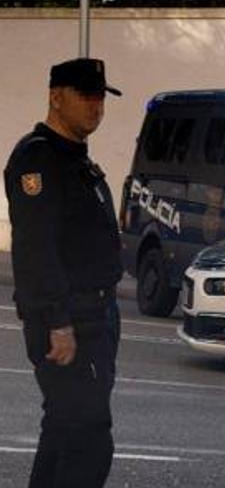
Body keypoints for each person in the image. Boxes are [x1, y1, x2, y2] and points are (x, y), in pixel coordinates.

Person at [5, 58, 124, 487]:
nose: (96, 107)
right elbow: (36, 249)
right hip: (70, 321)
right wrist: (57, 321)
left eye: (100, 97)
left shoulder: (75, 158)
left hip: (96, 316)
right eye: (85, 96)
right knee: (90, 441)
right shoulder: (38, 159)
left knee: (63, 430)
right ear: (56, 97)